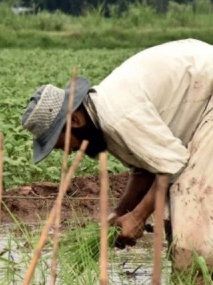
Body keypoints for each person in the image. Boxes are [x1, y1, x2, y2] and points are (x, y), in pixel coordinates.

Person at [20, 38, 213, 277]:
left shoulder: (119, 117)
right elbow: (145, 169)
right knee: (178, 222)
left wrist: (139, 216)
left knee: (192, 239)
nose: (66, 152)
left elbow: (172, 167)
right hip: (200, 96)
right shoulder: (102, 123)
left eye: (60, 144)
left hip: (208, 91)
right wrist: (120, 212)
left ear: (76, 121)